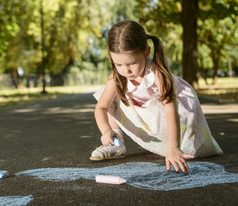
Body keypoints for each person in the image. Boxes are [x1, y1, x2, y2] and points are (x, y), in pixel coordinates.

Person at [90, 20, 223, 174]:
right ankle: (116, 144)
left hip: (175, 112)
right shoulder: (117, 77)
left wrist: (173, 147)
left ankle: (174, 145)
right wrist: (106, 131)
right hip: (149, 111)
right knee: (107, 93)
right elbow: (101, 107)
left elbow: (170, 109)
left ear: (146, 52)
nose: (125, 70)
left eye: (132, 63)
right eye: (118, 65)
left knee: (191, 150)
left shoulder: (157, 73)